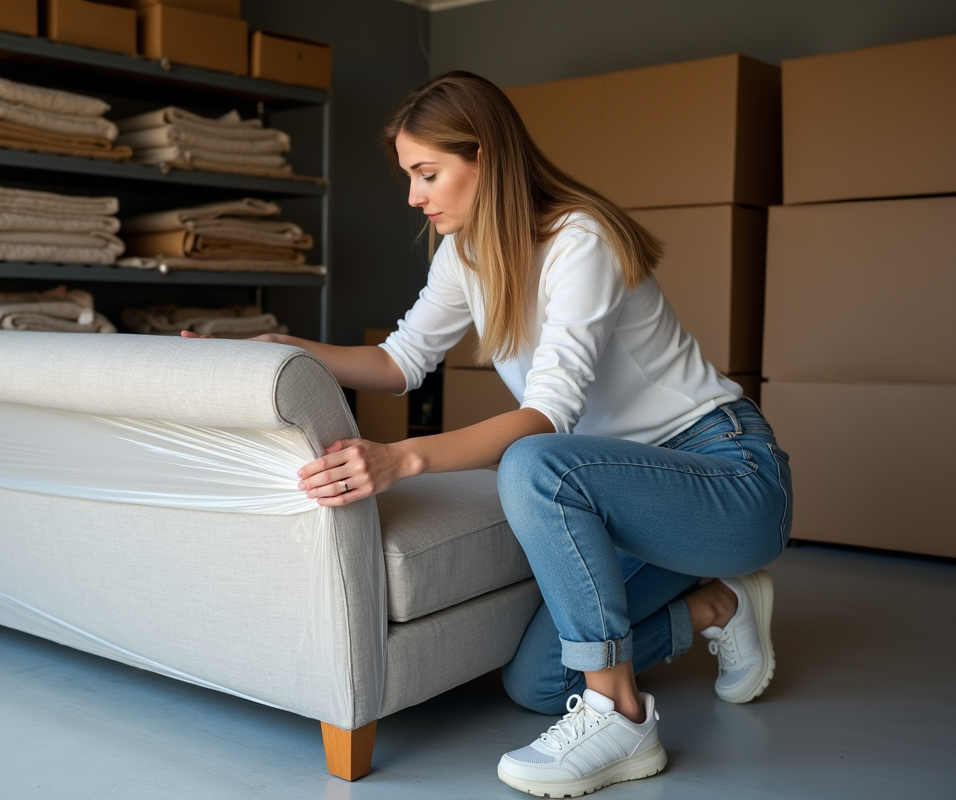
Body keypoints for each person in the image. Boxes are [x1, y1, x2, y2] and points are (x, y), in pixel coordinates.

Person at [185, 71, 793, 797]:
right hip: (629, 495)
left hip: (727, 478)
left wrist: (403, 457)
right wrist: (287, 349)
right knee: (539, 680)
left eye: (428, 173)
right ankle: (719, 605)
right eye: (411, 175)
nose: (414, 195)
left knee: (536, 463)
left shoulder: (579, 240)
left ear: (487, 158)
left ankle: (622, 716)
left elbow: (548, 417)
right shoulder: (466, 254)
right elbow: (399, 360)